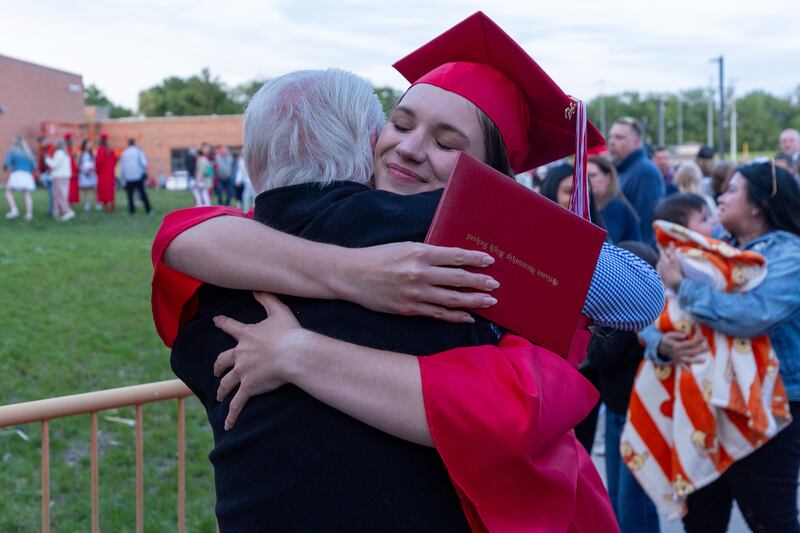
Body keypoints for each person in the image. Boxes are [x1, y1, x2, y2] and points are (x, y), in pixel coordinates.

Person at [155, 13, 664, 532]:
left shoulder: (478, 243)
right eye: (400, 124)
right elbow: (185, 237)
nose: (410, 148)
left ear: (490, 183)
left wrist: (297, 352)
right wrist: (353, 271)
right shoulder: (269, 239)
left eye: (448, 144)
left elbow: (639, 294)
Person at [646, 162, 800, 532]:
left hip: (769, 406)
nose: (720, 197)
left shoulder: (790, 256)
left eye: (732, 190)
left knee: (770, 518)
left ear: (758, 205)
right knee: (701, 518)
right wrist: (662, 344)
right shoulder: (712, 248)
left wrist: (685, 286)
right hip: (702, 402)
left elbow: (751, 315)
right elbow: (654, 310)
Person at [587, 240, 660, 533]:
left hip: (634, 417)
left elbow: (599, 356)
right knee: (619, 501)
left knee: (632, 506)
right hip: (621, 411)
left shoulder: (631, 321)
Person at [607, 117, 665, 245]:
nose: (611, 142)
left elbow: (646, 223)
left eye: (619, 137)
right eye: (610, 137)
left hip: (636, 254)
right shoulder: (621, 169)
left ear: (637, 142)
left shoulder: (645, 172)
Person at [588, 155, 642, 243]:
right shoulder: (587, 206)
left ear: (608, 177)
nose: (587, 180)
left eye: (592, 175)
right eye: (583, 175)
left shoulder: (617, 207)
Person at [3, 136, 36, 220]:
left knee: (8, 192)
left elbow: (7, 163)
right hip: (27, 175)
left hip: (17, 174)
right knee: (26, 194)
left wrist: (4, 167)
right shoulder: (28, 152)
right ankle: (29, 215)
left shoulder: (13, 151)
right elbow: (34, 166)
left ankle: (14, 210)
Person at [119, 138, 152, 215]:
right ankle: (148, 210)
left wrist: (123, 176)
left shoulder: (124, 153)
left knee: (130, 195)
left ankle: (132, 211)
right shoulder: (138, 151)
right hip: (138, 176)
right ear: (134, 143)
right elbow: (144, 163)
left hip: (128, 177)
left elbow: (122, 166)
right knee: (142, 193)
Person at [45, 139, 75, 221]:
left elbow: (53, 165)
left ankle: (67, 211)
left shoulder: (58, 153)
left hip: (59, 176)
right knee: (63, 194)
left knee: (58, 195)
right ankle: (58, 213)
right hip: (65, 176)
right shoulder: (66, 154)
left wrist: (47, 159)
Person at [95, 133, 117, 211]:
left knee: (104, 189)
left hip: (103, 174)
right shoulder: (111, 150)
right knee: (110, 189)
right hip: (110, 173)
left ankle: (106, 206)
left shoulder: (100, 150)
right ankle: (111, 205)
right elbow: (115, 161)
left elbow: (98, 163)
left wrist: (97, 171)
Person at [77, 139, 98, 211]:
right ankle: (86, 204)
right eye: (87, 144)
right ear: (84, 145)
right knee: (85, 190)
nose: (89, 145)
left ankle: (97, 203)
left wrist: (91, 169)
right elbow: (78, 164)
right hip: (84, 173)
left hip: (91, 172)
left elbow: (95, 162)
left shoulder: (92, 153)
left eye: (90, 144)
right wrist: (84, 170)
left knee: (94, 188)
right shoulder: (80, 154)